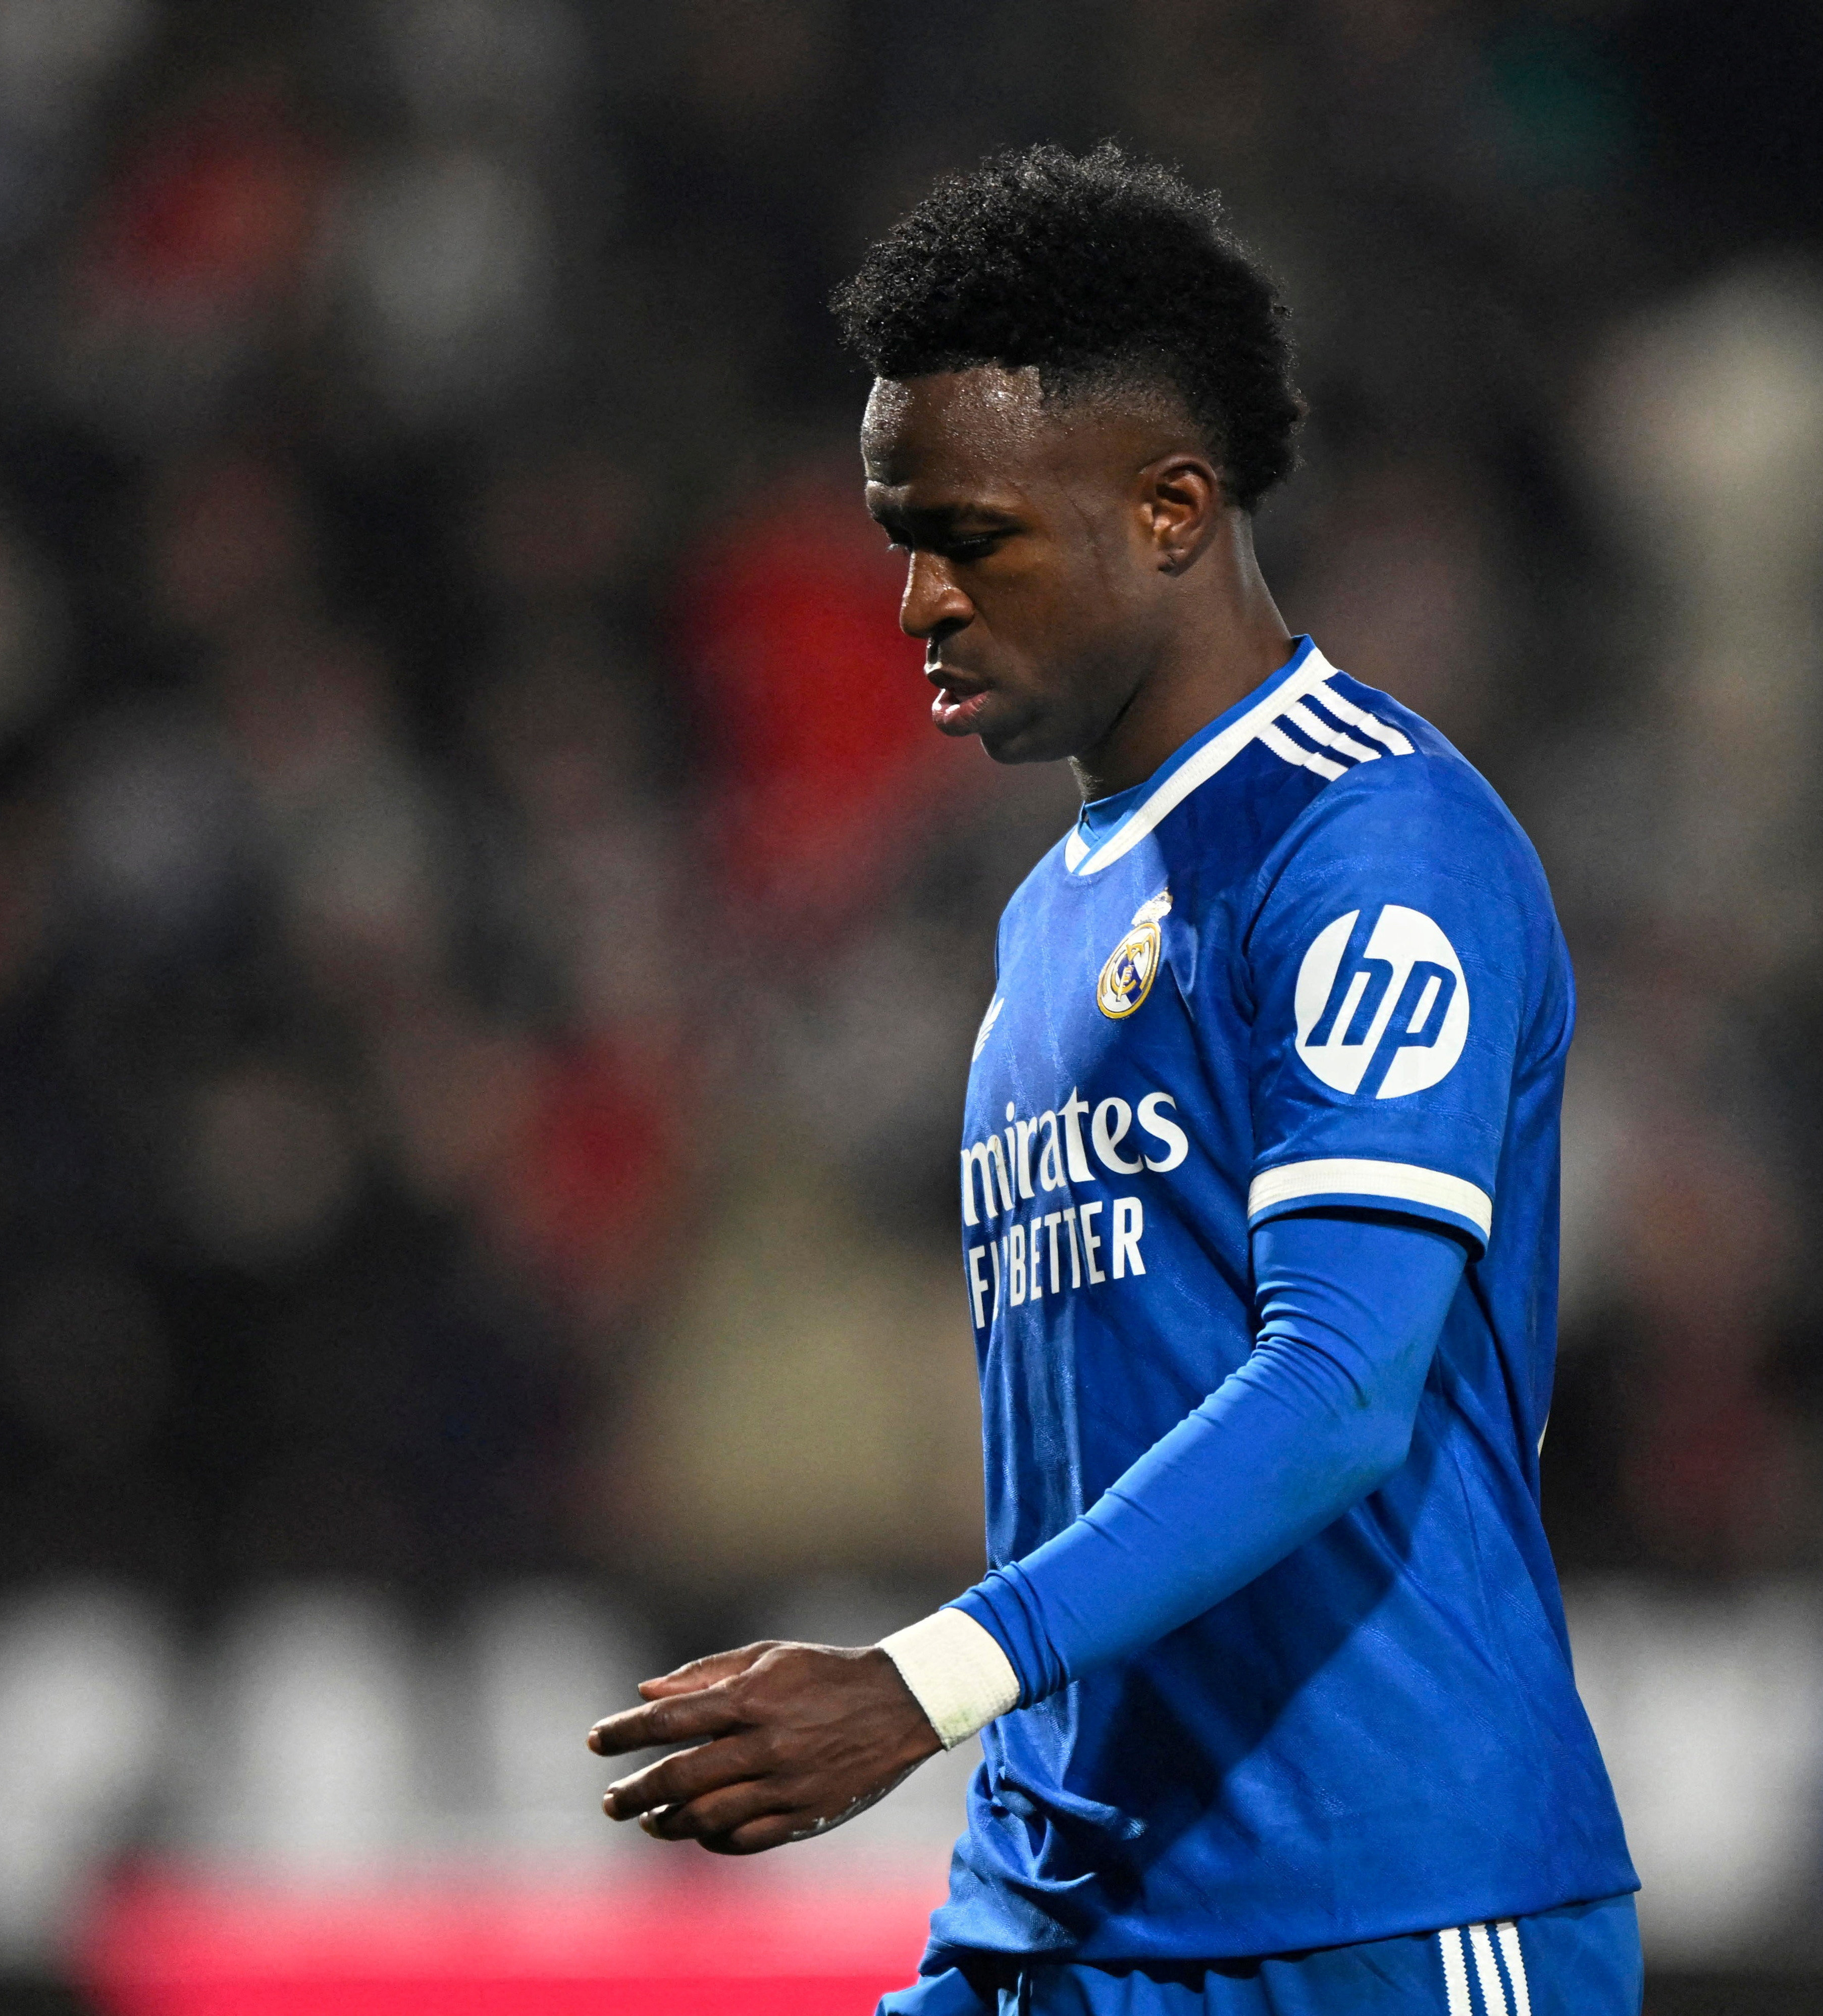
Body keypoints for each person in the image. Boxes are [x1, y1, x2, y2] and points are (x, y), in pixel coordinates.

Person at [588, 143, 1640, 2016]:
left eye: (968, 535)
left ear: (1170, 507)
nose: (911, 599)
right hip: (1070, 1909)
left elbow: (1336, 1385)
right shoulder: (1047, 921)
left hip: (1377, 1907)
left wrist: (917, 1681)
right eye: (894, 533)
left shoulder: (1367, 843)